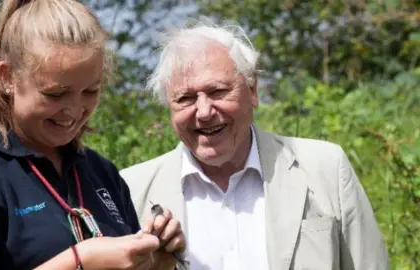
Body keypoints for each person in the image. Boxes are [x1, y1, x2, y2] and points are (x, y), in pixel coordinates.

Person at [120, 21, 389, 269]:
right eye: (185, 98)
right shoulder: (130, 191)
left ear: (253, 90)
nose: (203, 111)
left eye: (218, 91)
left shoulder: (325, 168)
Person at [0, 0, 185, 269]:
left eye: (90, 91)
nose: (74, 110)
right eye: (55, 94)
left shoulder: (100, 173)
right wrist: (80, 260)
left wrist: (156, 261)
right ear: (7, 77)